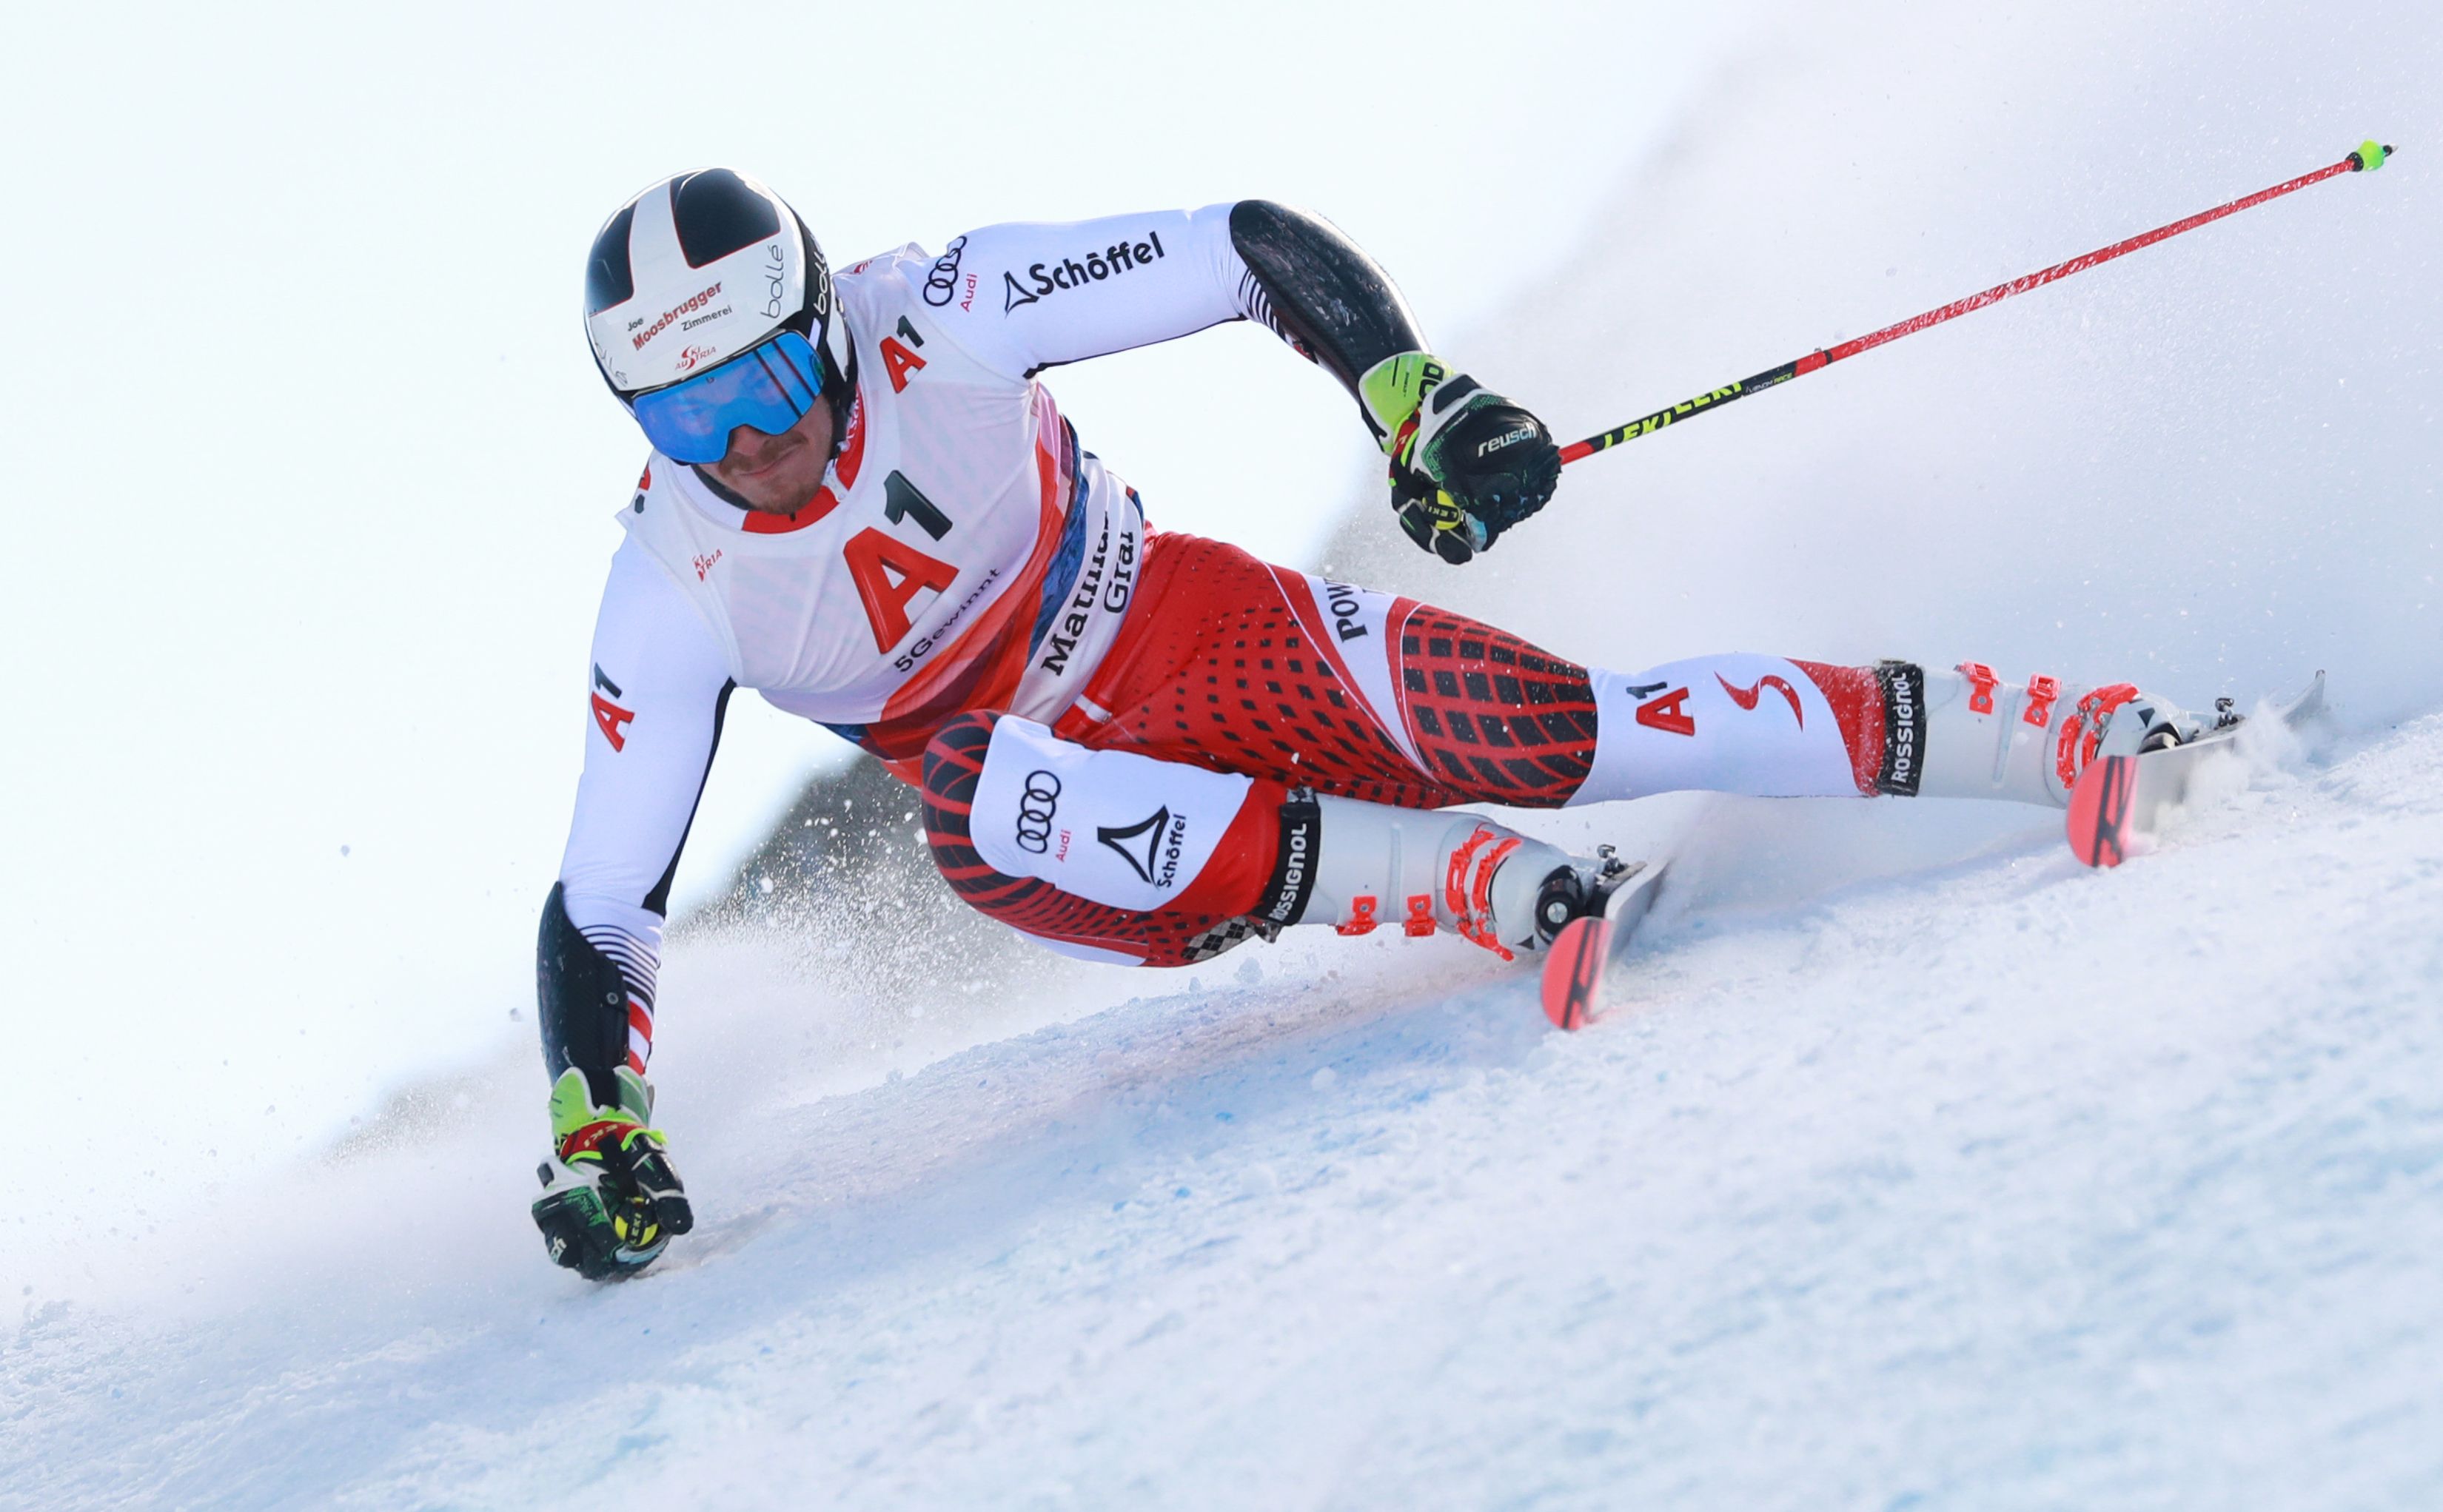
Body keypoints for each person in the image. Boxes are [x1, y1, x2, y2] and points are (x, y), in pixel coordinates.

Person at [529, 169, 2215, 1278]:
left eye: (756, 381)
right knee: (978, 783)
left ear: (825, 320)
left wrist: (1416, 396)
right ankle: (1460, 881)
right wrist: (603, 1117)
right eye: (681, 410)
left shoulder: (942, 306)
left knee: (1562, 732)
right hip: (1089, 843)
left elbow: (1244, 249)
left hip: (1187, 623)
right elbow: (603, 901)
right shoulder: (671, 584)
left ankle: (2047, 733)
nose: (741, 440)